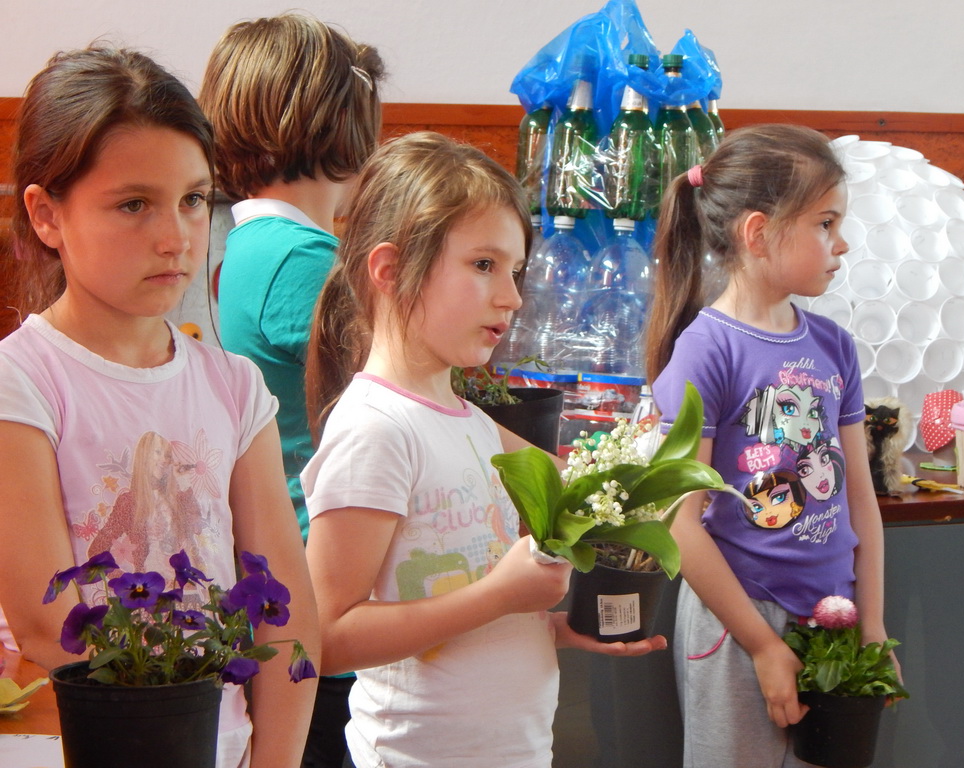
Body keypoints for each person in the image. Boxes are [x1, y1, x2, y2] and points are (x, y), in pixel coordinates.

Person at [301, 131, 665, 768]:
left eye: (515, 271)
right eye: (483, 265)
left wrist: (553, 627)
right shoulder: (375, 431)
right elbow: (326, 638)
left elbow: (462, 605)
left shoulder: (470, 421)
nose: (512, 297)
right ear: (390, 270)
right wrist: (501, 596)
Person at [0, 47, 320, 768]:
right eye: (133, 204)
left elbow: (287, 610)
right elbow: (49, 624)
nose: (176, 236)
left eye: (194, 199)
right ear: (47, 215)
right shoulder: (22, 382)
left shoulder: (235, 386)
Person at [646, 124, 896, 767]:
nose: (841, 244)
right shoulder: (706, 350)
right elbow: (680, 524)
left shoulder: (834, 346)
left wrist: (871, 627)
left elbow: (859, 502)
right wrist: (761, 645)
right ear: (758, 233)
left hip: (833, 617)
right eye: (825, 224)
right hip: (737, 623)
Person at [198, 15, 384, 765]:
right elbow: (406, 393)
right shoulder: (300, 257)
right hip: (324, 576)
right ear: (344, 121)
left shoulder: (256, 242)